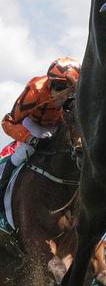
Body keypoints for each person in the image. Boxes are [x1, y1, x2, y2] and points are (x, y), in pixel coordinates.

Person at [0, 56, 81, 223]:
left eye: (61, 87)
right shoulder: (34, 91)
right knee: (24, 152)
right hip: (33, 123)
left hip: (58, 126)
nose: (54, 91)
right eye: (54, 85)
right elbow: (7, 122)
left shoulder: (77, 97)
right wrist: (29, 139)